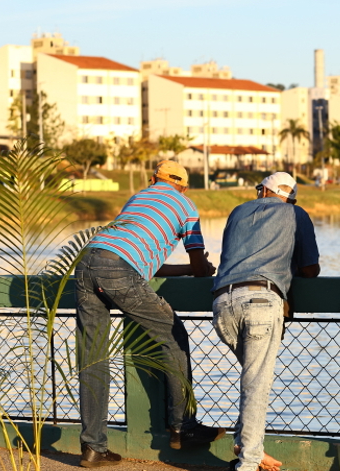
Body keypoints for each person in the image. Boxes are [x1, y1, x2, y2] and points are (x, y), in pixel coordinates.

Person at [75, 160, 223, 468]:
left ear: (153, 179)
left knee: (94, 357)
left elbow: (138, 260)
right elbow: (198, 266)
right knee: (174, 336)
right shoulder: (185, 206)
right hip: (119, 269)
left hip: (88, 261)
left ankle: (93, 447)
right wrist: (203, 269)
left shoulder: (138, 197)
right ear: (183, 186)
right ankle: (183, 426)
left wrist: (184, 269)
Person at [212, 172, 320, 471]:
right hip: (261, 301)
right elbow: (311, 270)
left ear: (262, 191)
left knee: (252, 379)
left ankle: (249, 448)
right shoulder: (296, 214)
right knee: (256, 384)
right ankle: (247, 464)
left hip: (222, 303)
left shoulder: (237, 212)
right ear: (289, 198)